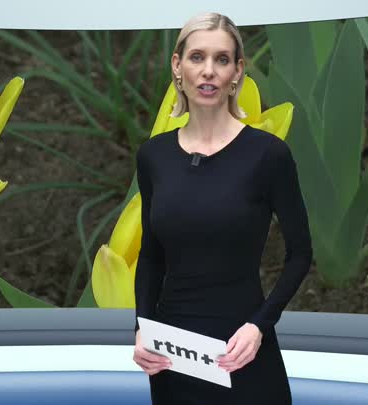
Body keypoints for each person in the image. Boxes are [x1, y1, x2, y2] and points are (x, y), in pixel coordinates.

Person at [131, 12, 313, 404]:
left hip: (241, 345)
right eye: (197, 57)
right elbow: (151, 255)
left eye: (222, 59)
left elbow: (300, 254)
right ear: (177, 66)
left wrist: (259, 326)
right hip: (172, 352)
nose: (209, 71)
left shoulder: (269, 155)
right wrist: (142, 327)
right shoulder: (153, 157)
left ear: (237, 72)